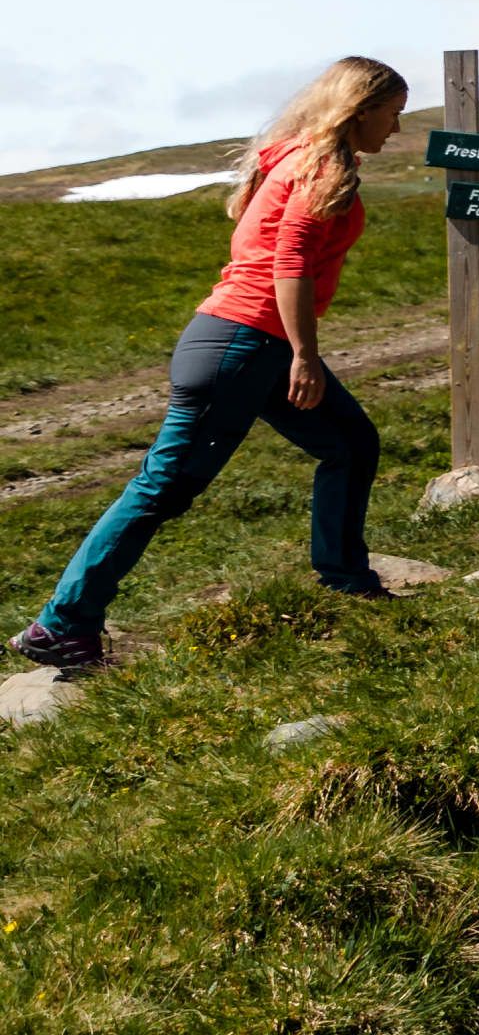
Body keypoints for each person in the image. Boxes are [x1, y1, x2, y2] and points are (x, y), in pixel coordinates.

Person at [17, 57, 407, 672]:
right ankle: (61, 625)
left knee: (350, 444)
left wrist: (294, 351)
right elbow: (291, 266)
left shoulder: (296, 156)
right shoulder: (319, 169)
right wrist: (304, 354)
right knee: (161, 489)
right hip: (243, 345)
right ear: (360, 110)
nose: (396, 129)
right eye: (393, 114)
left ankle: (346, 580)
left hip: (244, 343)